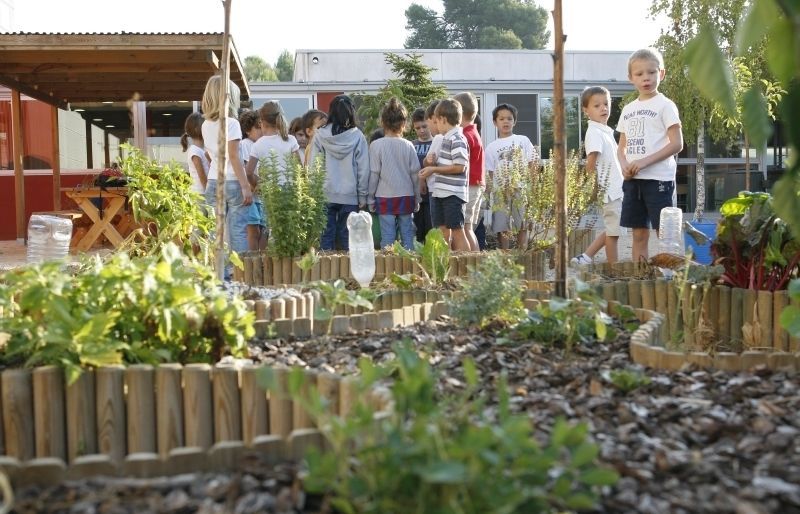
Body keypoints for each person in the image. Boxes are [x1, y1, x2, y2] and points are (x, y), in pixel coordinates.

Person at [616, 48, 683, 263]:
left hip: (659, 180)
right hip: (633, 182)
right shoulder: (628, 109)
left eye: (652, 72)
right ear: (630, 78)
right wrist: (625, 165)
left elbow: (677, 144)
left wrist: (644, 162)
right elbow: (621, 148)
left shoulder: (666, 105)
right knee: (638, 234)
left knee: (664, 234)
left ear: (661, 74)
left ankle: (669, 278)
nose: (646, 78)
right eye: (640, 74)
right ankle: (640, 276)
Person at [201, 75, 253, 263]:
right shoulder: (232, 123)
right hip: (232, 181)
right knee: (238, 230)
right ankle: (239, 274)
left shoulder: (205, 124)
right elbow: (234, 156)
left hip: (213, 181)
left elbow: (209, 154)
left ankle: (217, 272)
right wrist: (246, 185)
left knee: (215, 232)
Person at [571, 87, 625, 265]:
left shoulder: (605, 131)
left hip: (616, 189)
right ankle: (613, 267)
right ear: (586, 110)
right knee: (613, 233)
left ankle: (585, 257)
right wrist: (592, 188)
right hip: (609, 191)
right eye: (597, 105)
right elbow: (591, 161)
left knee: (613, 229)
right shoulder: (594, 132)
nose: (603, 108)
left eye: (606, 104)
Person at [309, 95, 370, 251]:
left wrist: (314, 193)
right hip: (350, 196)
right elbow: (364, 169)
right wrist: (362, 196)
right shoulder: (358, 137)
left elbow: (314, 165)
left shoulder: (320, 135)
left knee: (325, 236)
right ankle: (348, 272)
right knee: (347, 238)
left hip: (324, 194)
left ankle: (325, 272)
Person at [367, 97, 421, 250]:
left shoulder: (376, 145)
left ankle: (388, 268)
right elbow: (415, 175)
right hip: (406, 195)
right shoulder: (409, 145)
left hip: (384, 197)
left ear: (382, 122)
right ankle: (410, 267)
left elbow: (374, 174)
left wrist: (370, 198)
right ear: (404, 124)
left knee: (388, 236)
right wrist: (417, 197)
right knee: (407, 234)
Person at [484, 103, 536, 250]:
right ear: (495, 122)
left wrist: (532, 184)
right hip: (500, 190)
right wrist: (488, 193)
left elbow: (532, 162)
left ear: (514, 121)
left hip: (521, 188)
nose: (505, 122)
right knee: (502, 226)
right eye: (501, 119)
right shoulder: (491, 147)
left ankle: (522, 254)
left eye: (509, 118)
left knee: (522, 224)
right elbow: (490, 172)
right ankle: (504, 255)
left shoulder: (523, 140)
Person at [419, 98, 470, 251]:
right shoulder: (446, 138)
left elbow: (460, 166)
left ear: (443, 119)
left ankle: (466, 267)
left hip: (453, 194)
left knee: (457, 231)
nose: (435, 125)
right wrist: (432, 162)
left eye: (436, 121)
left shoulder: (458, 138)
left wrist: (434, 170)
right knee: (442, 232)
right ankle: (445, 265)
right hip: (440, 193)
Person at [453, 91, 484, 252]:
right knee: (468, 227)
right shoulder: (474, 132)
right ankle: (475, 260)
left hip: (469, 186)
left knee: (464, 228)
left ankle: (470, 261)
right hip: (476, 185)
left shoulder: (465, 136)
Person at [239, 109, 266, 251]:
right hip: (251, 194)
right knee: (253, 230)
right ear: (248, 130)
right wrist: (256, 184)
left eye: (262, 126)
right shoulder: (245, 144)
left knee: (263, 229)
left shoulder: (263, 145)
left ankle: (262, 260)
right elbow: (245, 168)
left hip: (261, 195)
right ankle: (253, 259)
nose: (261, 130)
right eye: (257, 127)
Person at [411, 107, 433, 243]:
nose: (422, 131)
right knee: (418, 230)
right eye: (418, 128)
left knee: (431, 229)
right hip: (416, 194)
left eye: (424, 126)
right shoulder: (411, 145)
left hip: (432, 194)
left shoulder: (436, 142)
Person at [180, 111, 209, 196]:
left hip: (203, 192)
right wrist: (210, 193)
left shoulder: (202, 149)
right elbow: (202, 175)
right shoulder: (195, 151)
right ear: (198, 129)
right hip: (200, 193)